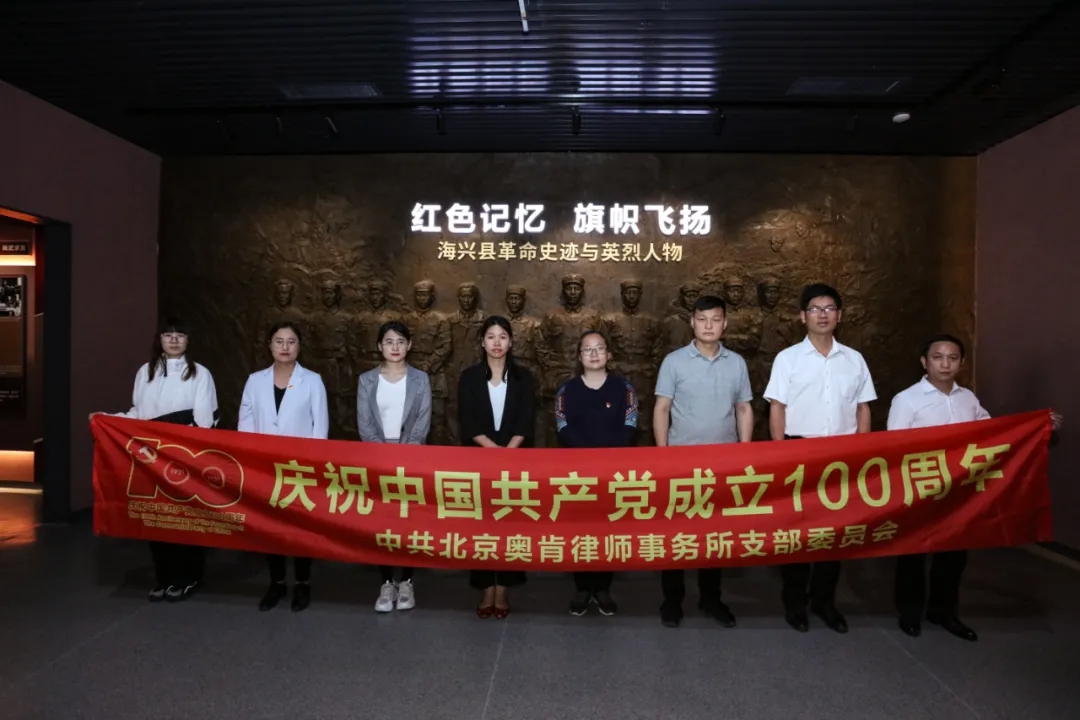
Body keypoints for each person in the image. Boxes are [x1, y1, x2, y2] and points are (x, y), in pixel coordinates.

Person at [887, 334, 1064, 642]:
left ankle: (943, 611)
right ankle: (910, 613)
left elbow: (994, 434)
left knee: (953, 556)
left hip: (959, 493)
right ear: (924, 362)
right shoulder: (907, 400)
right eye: (938, 357)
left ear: (961, 363)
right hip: (921, 489)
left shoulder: (967, 398)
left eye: (952, 358)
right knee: (913, 554)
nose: (945, 364)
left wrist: (1037, 426)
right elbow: (893, 446)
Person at [764, 283, 876, 634]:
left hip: (842, 454)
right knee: (798, 533)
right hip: (799, 452)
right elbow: (777, 407)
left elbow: (863, 408)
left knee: (834, 533)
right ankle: (795, 603)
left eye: (829, 309)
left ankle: (825, 602)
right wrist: (781, 452)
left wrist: (862, 453)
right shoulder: (788, 359)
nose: (822, 315)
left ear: (839, 315)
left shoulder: (854, 359)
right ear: (803, 316)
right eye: (815, 309)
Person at [92, 316, 219, 603]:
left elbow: (204, 421)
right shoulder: (145, 372)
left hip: (184, 456)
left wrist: (187, 452)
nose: (174, 340)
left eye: (180, 335)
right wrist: (106, 419)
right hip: (151, 456)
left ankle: (189, 577)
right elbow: (138, 414)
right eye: (168, 335)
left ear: (188, 340)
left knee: (185, 518)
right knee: (156, 518)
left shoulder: (200, 373)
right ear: (159, 339)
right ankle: (164, 578)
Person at [654, 295, 754, 628]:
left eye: (715, 319)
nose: (708, 325)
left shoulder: (736, 363)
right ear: (692, 322)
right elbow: (662, 408)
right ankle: (672, 600)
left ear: (724, 323)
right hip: (681, 463)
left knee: (714, 535)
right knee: (676, 535)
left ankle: (711, 598)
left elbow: (744, 408)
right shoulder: (674, 362)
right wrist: (662, 453)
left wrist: (744, 453)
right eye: (702, 319)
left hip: (722, 463)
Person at [238, 321, 329, 613]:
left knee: (300, 528)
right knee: (271, 528)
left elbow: (320, 427)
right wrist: (252, 463)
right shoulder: (255, 381)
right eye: (279, 341)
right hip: (264, 468)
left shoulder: (312, 380)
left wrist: (314, 465)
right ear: (270, 346)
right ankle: (276, 582)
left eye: (291, 341)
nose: (285, 347)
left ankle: (302, 583)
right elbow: (245, 425)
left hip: (300, 469)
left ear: (299, 346)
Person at [555, 329, 638, 616]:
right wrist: (588, 457)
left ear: (608, 354)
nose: (593, 354)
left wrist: (606, 457)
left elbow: (630, 425)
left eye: (599, 348)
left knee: (608, 530)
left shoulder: (624, 389)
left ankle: (603, 588)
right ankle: (582, 588)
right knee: (580, 530)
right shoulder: (567, 390)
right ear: (579, 356)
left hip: (613, 472)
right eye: (587, 349)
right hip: (578, 473)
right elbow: (563, 426)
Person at [458, 316, 536, 618]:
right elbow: (468, 421)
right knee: (481, 525)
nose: (497, 342)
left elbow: (526, 420)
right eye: (491, 336)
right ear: (482, 342)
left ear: (511, 341)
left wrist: (508, 454)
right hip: (479, 461)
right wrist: (494, 453)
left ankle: (503, 587)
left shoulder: (523, 377)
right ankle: (485, 587)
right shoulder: (469, 377)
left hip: (515, 462)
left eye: (503, 336)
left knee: (510, 524)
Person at [356, 321, 432, 613]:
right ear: (380, 346)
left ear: (409, 345)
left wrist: (404, 455)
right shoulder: (366, 380)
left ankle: (407, 582)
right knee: (383, 522)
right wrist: (383, 456)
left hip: (411, 457)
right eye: (389, 342)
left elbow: (422, 422)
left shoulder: (420, 380)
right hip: (377, 458)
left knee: (409, 521)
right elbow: (365, 424)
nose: (395, 347)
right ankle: (387, 582)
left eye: (400, 341)